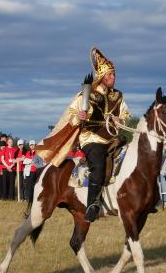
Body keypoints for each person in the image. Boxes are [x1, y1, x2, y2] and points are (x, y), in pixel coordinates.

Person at [36, 47, 130, 222]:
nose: (113, 78)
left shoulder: (118, 96)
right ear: (101, 77)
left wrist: (120, 120)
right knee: (99, 163)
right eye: (110, 75)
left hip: (112, 137)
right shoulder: (86, 95)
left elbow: (126, 115)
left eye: (114, 74)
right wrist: (78, 116)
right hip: (91, 137)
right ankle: (93, 204)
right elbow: (71, 114)